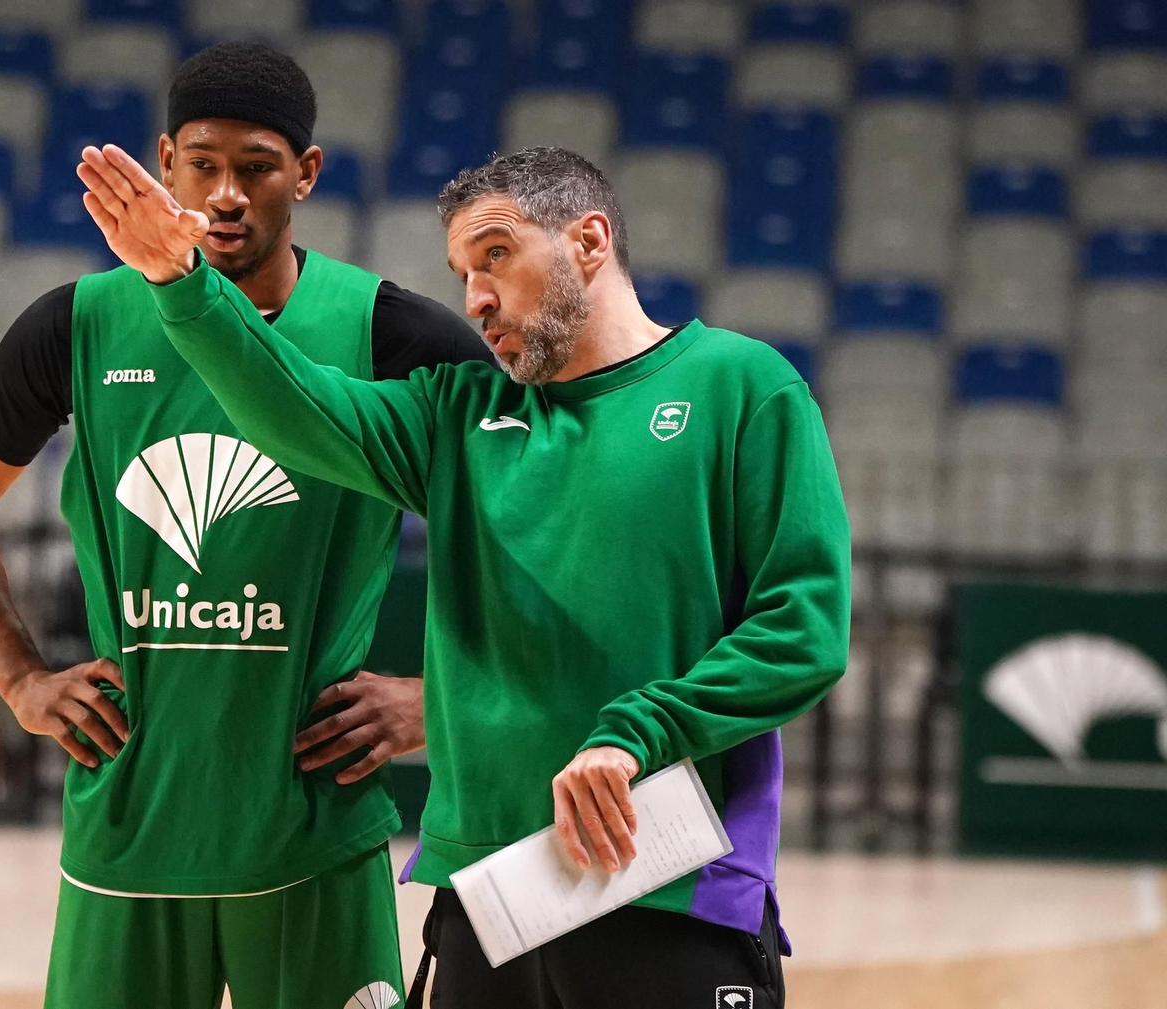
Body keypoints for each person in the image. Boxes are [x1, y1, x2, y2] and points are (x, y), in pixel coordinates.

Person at [77, 142, 852, 1009]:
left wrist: (637, 730)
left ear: (589, 242)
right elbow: (294, 402)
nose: (475, 297)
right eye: (461, 273)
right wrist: (183, 284)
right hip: (490, 897)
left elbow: (803, 629)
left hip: (673, 886)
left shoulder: (743, 387)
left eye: (496, 256)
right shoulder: (460, 413)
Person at [0, 42, 492, 1009]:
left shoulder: (392, 334)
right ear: (165, 159)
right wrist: (19, 677)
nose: (225, 194)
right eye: (203, 164)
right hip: (129, 831)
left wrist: (438, 699)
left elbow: (526, 527)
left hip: (313, 835)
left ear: (303, 175)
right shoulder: (77, 324)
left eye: (256, 167)